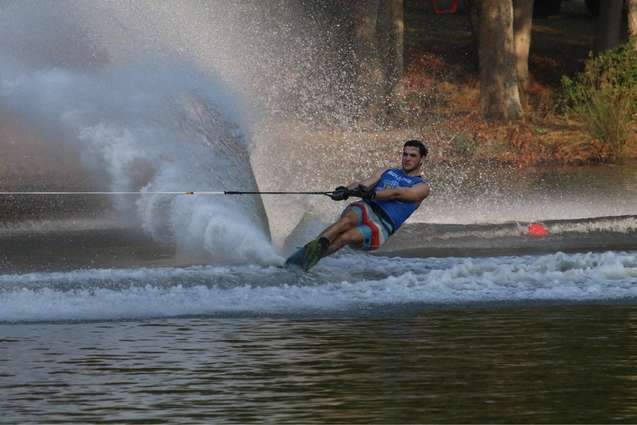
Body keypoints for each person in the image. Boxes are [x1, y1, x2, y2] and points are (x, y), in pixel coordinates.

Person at [287, 139, 431, 271]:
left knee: (346, 237)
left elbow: (397, 193)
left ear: (422, 159)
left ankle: (310, 259)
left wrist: (371, 194)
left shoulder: (422, 187)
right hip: (368, 207)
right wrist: (346, 190)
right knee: (346, 221)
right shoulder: (387, 171)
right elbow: (363, 184)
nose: (407, 158)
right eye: (405, 154)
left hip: (383, 225)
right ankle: (309, 251)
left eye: (412, 155)